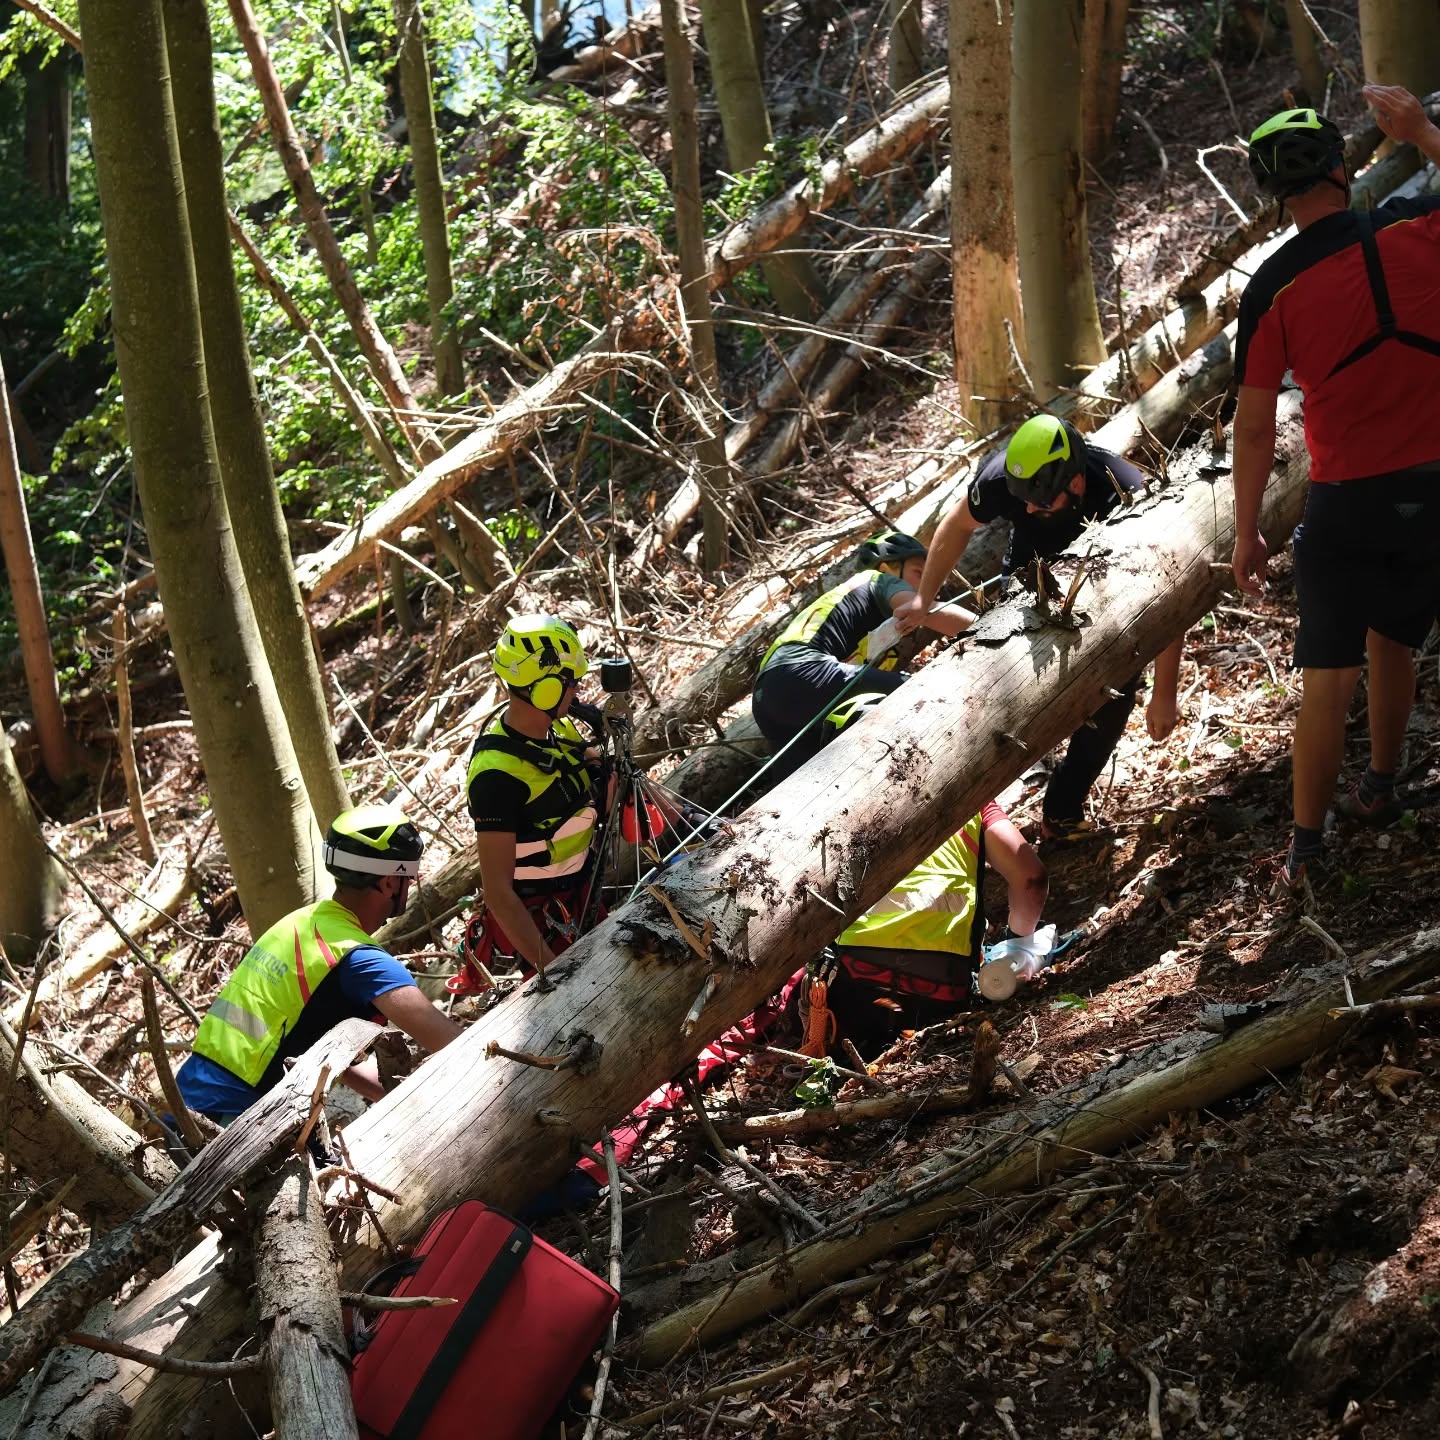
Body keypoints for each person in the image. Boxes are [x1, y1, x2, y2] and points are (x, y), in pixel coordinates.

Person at [1230, 90, 1440, 892]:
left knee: (1328, 673)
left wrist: (1248, 531)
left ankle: (1307, 850)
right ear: (1344, 170)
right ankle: (1382, 787)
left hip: (1349, 500)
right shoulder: (1416, 225)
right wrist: (1420, 132)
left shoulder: (1271, 290)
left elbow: (1253, 428)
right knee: (1397, 640)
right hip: (1435, 485)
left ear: (1270, 193)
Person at [898, 413, 1184, 839]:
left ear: (1076, 483)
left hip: (1109, 580)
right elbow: (957, 525)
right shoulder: (1002, 479)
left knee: (1114, 696)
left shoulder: (1122, 489)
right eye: (1023, 500)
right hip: (1029, 574)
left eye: (1042, 501)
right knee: (1013, 679)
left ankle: (1061, 812)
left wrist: (1164, 694)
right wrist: (924, 598)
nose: (1029, 508)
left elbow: (1169, 591)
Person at [176, 805, 462, 1124]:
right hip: (234, 1123)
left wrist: (405, 1098)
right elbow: (454, 1045)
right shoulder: (361, 960)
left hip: (182, 1103)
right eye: (406, 877)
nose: (408, 886)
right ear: (387, 883)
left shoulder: (296, 924)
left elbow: (329, 1059)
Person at [819, 692, 1048, 1048]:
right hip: (941, 984)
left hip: (854, 975)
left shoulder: (825, 810)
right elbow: (1031, 877)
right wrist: (1019, 947)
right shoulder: (970, 799)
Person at [750, 531, 972, 784]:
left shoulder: (869, 625)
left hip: (766, 700)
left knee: (806, 786)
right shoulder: (879, 580)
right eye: (919, 573)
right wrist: (985, 626)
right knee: (921, 695)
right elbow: (926, 608)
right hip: (805, 670)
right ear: (889, 568)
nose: (926, 586)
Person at [459, 614, 605, 992]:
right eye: (570, 682)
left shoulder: (559, 728)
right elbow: (497, 891)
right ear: (543, 689)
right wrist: (553, 974)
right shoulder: (496, 776)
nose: (577, 690)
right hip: (540, 923)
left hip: (583, 897)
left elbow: (597, 773)